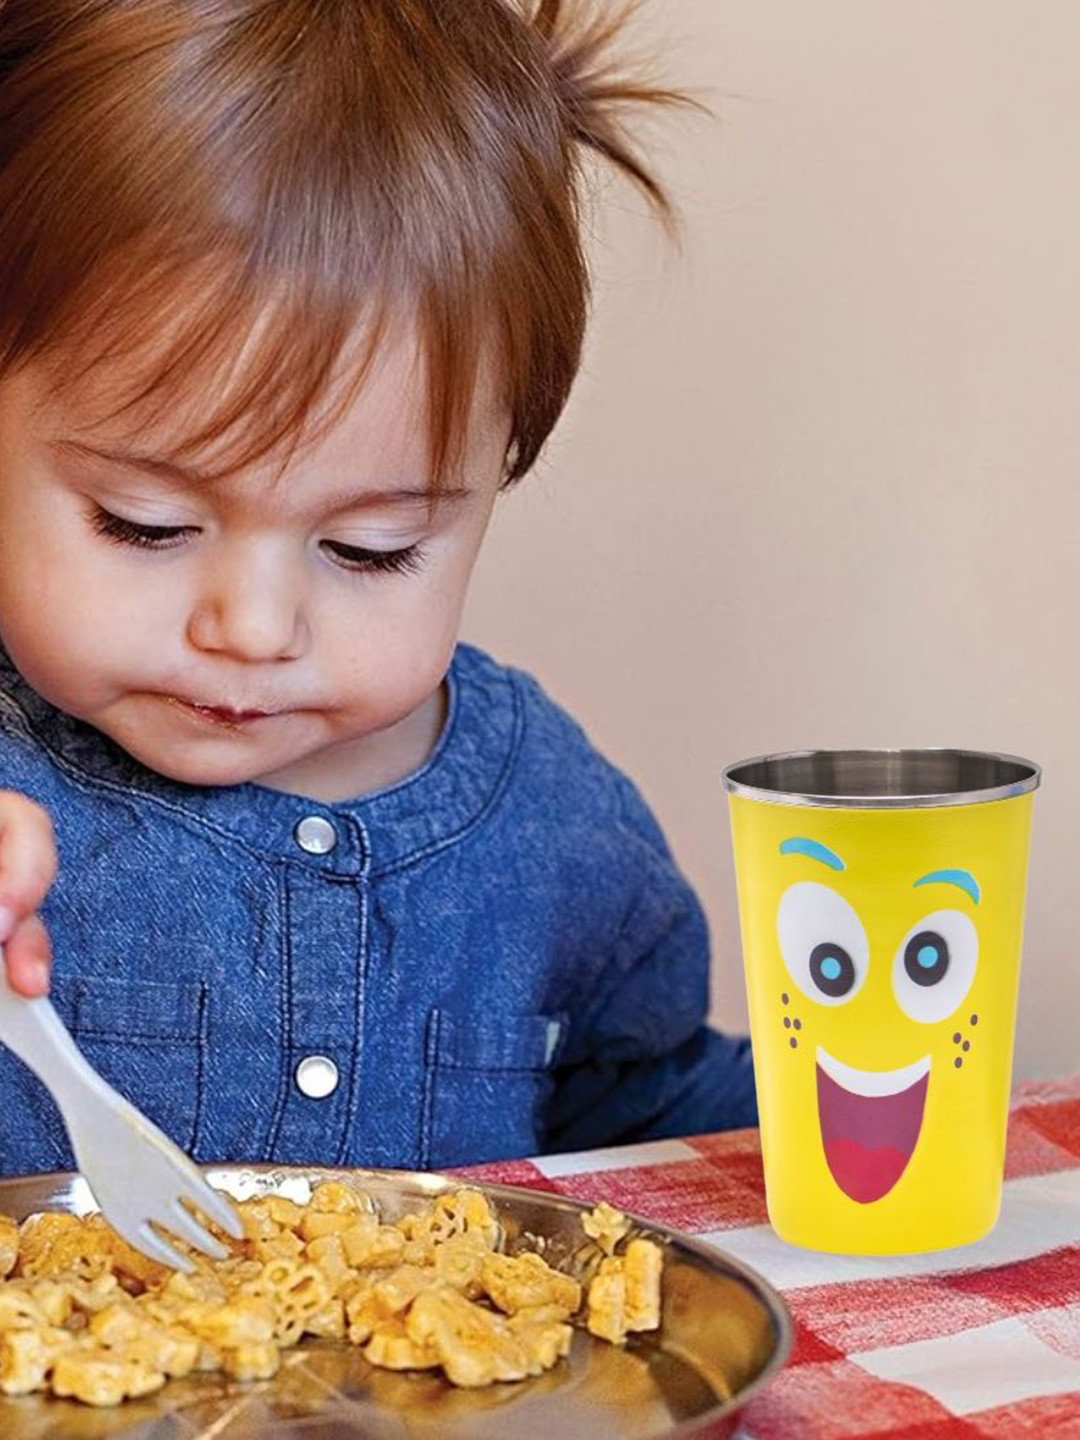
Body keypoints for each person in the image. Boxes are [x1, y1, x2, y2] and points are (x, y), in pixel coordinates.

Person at [0, 0, 756, 1176]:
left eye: (370, 549)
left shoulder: (555, 822)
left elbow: (645, 1115)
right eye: (143, 525)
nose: (251, 630)